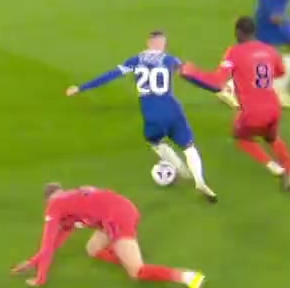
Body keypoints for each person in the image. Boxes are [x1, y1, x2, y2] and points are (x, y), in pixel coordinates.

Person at [65, 30, 217, 199]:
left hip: (151, 113)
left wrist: (81, 88)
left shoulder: (135, 60)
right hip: (172, 109)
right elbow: (191, 76)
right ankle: (199, 180)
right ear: (163, 45)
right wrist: (216, 89)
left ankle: (181, 169)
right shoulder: (170, 59)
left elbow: (110, 75)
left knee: (154, 141)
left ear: (148, 43)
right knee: (188, 146)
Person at [11, 183, 205, 288]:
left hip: (116, 219)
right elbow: (58, 240)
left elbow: (48, 243)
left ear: (48, 200)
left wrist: (41, 278)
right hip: (124, 209)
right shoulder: (72, 199)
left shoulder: (55, 206)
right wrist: (33, 262)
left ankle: (188, 278)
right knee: (93, 249)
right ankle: (126, 255)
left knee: (136, 272)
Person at [183, 17, 290, 191]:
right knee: (272, 138)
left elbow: (218, 80)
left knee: (241, 138)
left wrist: (192, 72)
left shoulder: (234, 52)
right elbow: (280, 72)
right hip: (273, 108)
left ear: (238, 32)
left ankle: (273, 166)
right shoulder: (269, 50)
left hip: (252, 111)